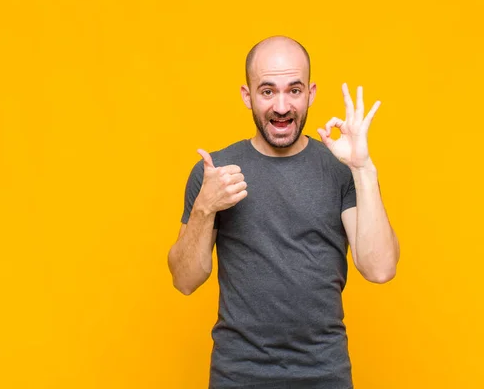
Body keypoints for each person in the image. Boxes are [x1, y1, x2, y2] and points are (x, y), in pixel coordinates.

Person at [167, 35, 400, 389]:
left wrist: (363, 168)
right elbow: (185, 281)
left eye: (294, 90)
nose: (281, 106)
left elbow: (380, 268)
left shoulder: (341, 168)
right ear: (247, 96)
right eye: (267, 91)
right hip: (237, 376)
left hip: (325, 374)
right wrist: (204, 207)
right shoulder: (214, 172)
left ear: (311, 93)